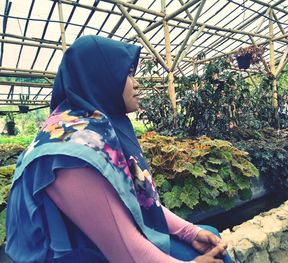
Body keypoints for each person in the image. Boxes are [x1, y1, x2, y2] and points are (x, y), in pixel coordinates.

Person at [5, 35, 232, 263]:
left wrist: (189, 232)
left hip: (104, 244)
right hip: (85, 255)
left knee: (209, 233)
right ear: (99, 77)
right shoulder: (70, 149)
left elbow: (142, 202)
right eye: (127, 73)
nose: (136, 83)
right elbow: (125, 253)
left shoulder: (96, 125)